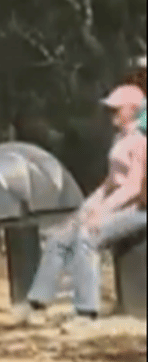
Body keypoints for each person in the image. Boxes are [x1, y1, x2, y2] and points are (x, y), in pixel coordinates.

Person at [13, 85, 147, 330]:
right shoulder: (120, 139)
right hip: (118, 202)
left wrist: (102, 213)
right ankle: (38, 303)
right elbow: (111, 182)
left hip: (139, 208)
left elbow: (133, 187)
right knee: (61, 235)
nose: (111, 113)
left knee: (87, 237)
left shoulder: (140, 141)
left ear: (132, 109)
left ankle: (86, 312)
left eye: (117, 108)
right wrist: (87, 208)